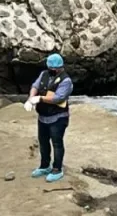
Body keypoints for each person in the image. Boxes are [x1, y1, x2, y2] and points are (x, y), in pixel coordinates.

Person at [25, 54, 73, 183]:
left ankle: (57, 168)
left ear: (59, 68)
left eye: (53, 68)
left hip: (58, 117)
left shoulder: (66, 81)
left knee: (57, 143)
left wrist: (40, 98)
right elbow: (35, 86)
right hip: (43, 116)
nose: (51, 70)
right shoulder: (44, 74)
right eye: (50, 67)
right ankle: (44, 166)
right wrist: (31, 98)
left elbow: (58, 98)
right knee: (43, 142)